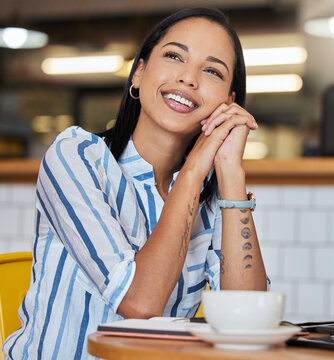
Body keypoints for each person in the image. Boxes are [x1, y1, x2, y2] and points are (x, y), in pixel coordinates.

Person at [3, 8, 267, 359]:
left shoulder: (215, 198)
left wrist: (230, 170)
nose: (189, 79)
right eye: (174, 56)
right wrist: (192, 171)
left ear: (228, 103)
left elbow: (250, 322)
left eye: (212, 71)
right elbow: (139, 305)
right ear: (139, 73)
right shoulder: (77, 156)